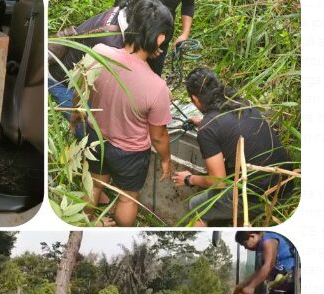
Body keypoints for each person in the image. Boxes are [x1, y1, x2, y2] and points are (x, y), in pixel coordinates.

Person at [81, 0, 174, 227]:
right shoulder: (157, 87)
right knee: (127, 197)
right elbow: (159, 136)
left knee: (93, 184)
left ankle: (87, 221)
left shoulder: (98, 54)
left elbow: (81, 93)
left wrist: (77, 117)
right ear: (160, 38)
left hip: (96, 140)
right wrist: (166, 159)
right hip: (130, 154)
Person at [172, 68, 293, 226]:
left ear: (195, 99)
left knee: (197, 205)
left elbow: (219, 181)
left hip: (263, 195)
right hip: (286, 182)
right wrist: (203, 122)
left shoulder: (208, 129)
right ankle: (236, 221)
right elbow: (231, 127)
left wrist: (189, 179)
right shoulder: (239, 101)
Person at [48, 0, 195, 114]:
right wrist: (157, 86)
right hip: (63, 82)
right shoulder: (110, 46)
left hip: (86, 77)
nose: (162, 41)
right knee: (89, 130)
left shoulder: (127, 16)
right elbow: (114, 90)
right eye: (159, 37)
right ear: (146, 34)